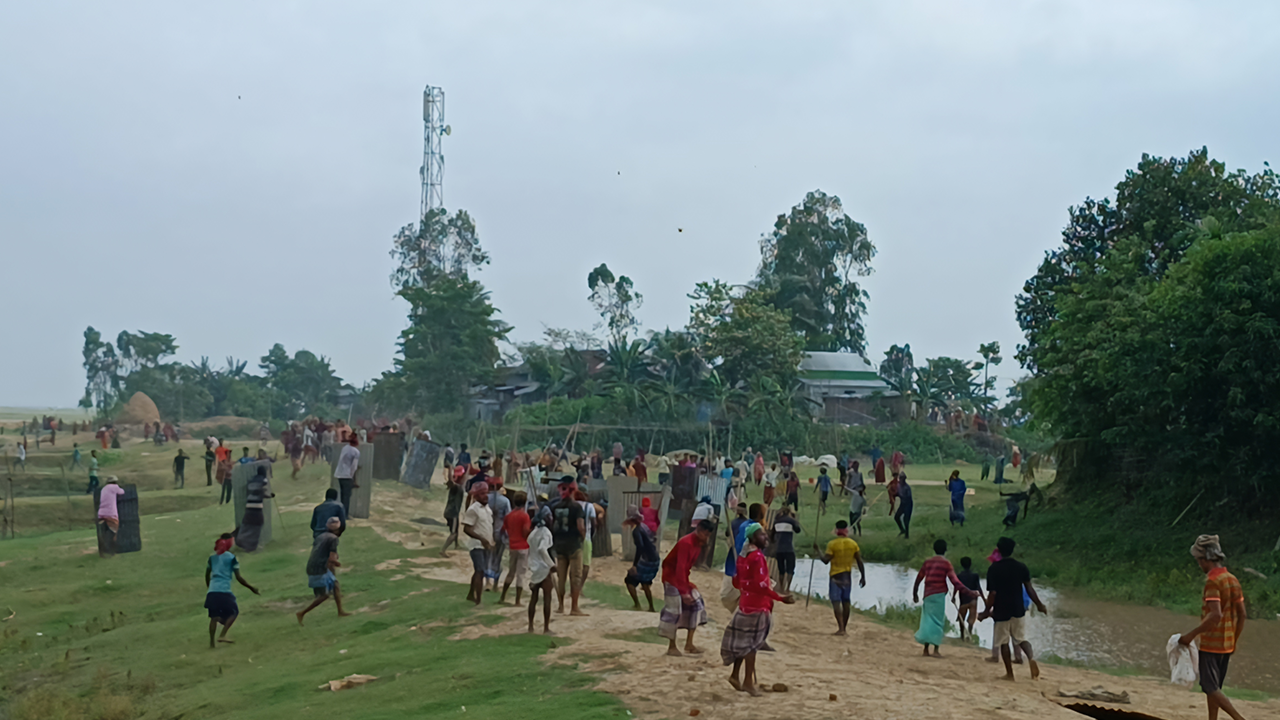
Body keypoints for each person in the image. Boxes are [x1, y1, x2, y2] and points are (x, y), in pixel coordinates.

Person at [722, 523, 795, 696]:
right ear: (753, 538)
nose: (766, 537)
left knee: (745, 643)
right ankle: (747, 682)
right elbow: (762, 585)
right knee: (751, 646)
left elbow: (737, 582)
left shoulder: (743, 556)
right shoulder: (757, 557)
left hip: (745, 605)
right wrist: (781, 598)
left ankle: (735, 676)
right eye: (762, 535)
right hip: (757, 607)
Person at [1180, 535, 1248, 720]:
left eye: (1198, 561)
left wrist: (1190, 636)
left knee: (1209, 687)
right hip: (1226, 645)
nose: (1199, 565)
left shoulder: (1212, 581)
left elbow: (1215, 615)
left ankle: (1239, 718)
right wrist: (1234, 641)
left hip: (1211, 646)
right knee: (1215, 688)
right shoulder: (1232, 579)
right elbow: (1242, 615)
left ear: (1206, 559)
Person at [978, 536, 1047, 681]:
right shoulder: (1021, 567)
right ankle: (1031, 658)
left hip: (1001, 610)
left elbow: (993, 594)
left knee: (1003, 642)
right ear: (1012, 550)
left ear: (998, 550)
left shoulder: (994, 569)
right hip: (1018, 608)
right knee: (1021, 638)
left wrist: (985, 612)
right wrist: (1039, 605)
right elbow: (1029, 589)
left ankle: (1010, 674)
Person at [660, 519, 713, 656]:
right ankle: (671, 646)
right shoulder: (686, 543)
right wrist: (683, 592)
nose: (707, 538)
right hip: (672, 578)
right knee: (674, 610)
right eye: (706, 535)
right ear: (700, 531)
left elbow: (688, 567)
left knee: (697, 605)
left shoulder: (698, 545)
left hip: (683, 578)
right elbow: (680, 567)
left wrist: (687, 587)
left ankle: (689, 643)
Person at [204, 533, 259, 648]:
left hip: (212, 591)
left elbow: (207, 574)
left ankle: (211, 643)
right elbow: (239, 578)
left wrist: (210, 587)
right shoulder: (231, 558)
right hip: (224, 590)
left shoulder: (212, 557)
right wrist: (251, 587)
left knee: (213, 617)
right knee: (234, 612)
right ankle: (222, 635)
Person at [813, 520, 866, 636]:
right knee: (846, 602)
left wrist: (818, 550)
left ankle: (841, 628)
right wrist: (863, 577)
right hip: (847, 576)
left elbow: (825, 560)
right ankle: (844, 628)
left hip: (835, 576)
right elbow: (859, 561)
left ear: (836, 530)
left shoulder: (832, 544)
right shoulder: (853, 544)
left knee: (836, 602)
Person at [913, 539, 964, 657]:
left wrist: (915, 593)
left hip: (928, 594)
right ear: (945, 550)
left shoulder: (928, 562)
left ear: (934, 549)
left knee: (927, 620)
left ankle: (926, 649)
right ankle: (935, 649)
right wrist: (968, 591)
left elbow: (919, 578)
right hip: (939, 595)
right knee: (937, 621)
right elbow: (955, 581)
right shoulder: (946, 564)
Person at [296, 517, 352, 625]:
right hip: (319, 568)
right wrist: (337, 563)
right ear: (339, 528)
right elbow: (331, 558)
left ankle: (340, 611)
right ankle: (302, 613)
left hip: (312, 566)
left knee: (335, 585)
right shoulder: (334, 539)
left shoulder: (320, 536)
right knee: (324, 595)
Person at [551, 478, 588, 616]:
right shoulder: (576, 507)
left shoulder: (556, 507)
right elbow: (581, 526)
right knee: (576, 576)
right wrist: (582, 538)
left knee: (561, 577)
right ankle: (574, 607)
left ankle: (560, 606)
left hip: (560, 544)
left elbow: (552, 525)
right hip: (573, 544)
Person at [461, 481, 494, 607]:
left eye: (486, 493)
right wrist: (482, 539)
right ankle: (478, 599)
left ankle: (471, 594)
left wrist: (490, 540)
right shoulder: (473, 510)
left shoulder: (487, 508)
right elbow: (466, 529)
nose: (485, 496)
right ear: (476, 496)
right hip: (477, 545)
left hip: (486, 544)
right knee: (480, 570)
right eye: (482, 494)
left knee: (479, 571)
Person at [624, 505, 660, 611]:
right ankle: (651, 607)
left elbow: (640, 547)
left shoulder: (636, 531)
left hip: (647, 559)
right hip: (654, 558)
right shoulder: (644, 526)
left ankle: (637, 605)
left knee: (629, 580)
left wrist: (635, 565)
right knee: (645, 583)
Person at [499, 491, 531, 605]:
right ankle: (517, 600)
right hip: (523, 546)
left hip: (512, 545)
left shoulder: (509, 516)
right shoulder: (525, 516)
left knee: (511, 572)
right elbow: (525, 530)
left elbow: (504, 529)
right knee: (521, 574)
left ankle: (502, 596)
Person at [526, 514, 556, 633]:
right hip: (543, 568)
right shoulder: (546, 533)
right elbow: (542, 549)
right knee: (547, 598)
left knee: (533, 598)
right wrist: (552, 565)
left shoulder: (533, 533)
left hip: (534, 568)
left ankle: (530, 626)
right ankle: (546, 628)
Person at [236, 466, 273, 551]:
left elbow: (257, 491)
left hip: (249, 507)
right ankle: (251, 546)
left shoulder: (251, 481)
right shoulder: (263, 479)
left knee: (246, 525)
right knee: (257, 526)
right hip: (257, 509)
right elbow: (264, 483)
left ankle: (240, 540)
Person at [486, 485, 511, 591]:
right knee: (498, 558)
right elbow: (508, 517)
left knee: (488, 557)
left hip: (487, 530)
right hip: (500, 532)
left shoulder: (486, 498)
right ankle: (495, 584)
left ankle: (487, 582)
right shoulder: (505, 501)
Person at [771, 506, 801, 591]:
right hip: (788, 548)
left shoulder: (777, 521)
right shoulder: (791, 521)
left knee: (781, 570)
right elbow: (798, 530)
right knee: (790, 569)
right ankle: (788, 588)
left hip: (779, 549)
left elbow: (772, 536)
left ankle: (781, 588)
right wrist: (794, 519)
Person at [97, 476, 126, 556]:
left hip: (101, 513)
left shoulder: (104, 488)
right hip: (111, 513)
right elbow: (122, 492)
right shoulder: (114, 487)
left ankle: (103, 548)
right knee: (114, 531)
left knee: (104, 531)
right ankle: (111, 549)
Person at [954, 557, 982, 640]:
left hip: (963, 600)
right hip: (973, 600)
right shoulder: (975, 576)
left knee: (961, 617)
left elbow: (957, 587)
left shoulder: (959, 576)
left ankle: (962, 635)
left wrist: (953, 597)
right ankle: (969, 633)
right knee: (972, 617)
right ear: (970, 564)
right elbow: (979, 588)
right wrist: (984, 599)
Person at [441, 465, 466, 554]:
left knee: (456, 528)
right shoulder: (457, 487)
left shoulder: (456, 487)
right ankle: (443, 550)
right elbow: (451, 481)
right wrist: (450, 468)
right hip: (453, 513)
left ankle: (456, 544)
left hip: (450, 512)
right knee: (453, 533)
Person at [334, 435, 361, 511]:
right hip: (347, 475)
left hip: (339, 474)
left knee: (342, 495)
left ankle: (341, 512)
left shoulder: (345, 448)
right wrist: (352, 477)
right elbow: (354, 467)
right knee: (347, 496)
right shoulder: (356, 452)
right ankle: (345, 514)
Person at [894, 473, 914, 539]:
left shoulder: (907, 487)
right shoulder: (899, 485)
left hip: (908, 504)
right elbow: (897, 493)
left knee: (906, 520)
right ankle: (902, 530)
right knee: (896, 517)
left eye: (902, 479)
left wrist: (899, 495)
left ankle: (907, 535)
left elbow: (907, 497)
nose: (901, 480)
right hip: (903, 504)